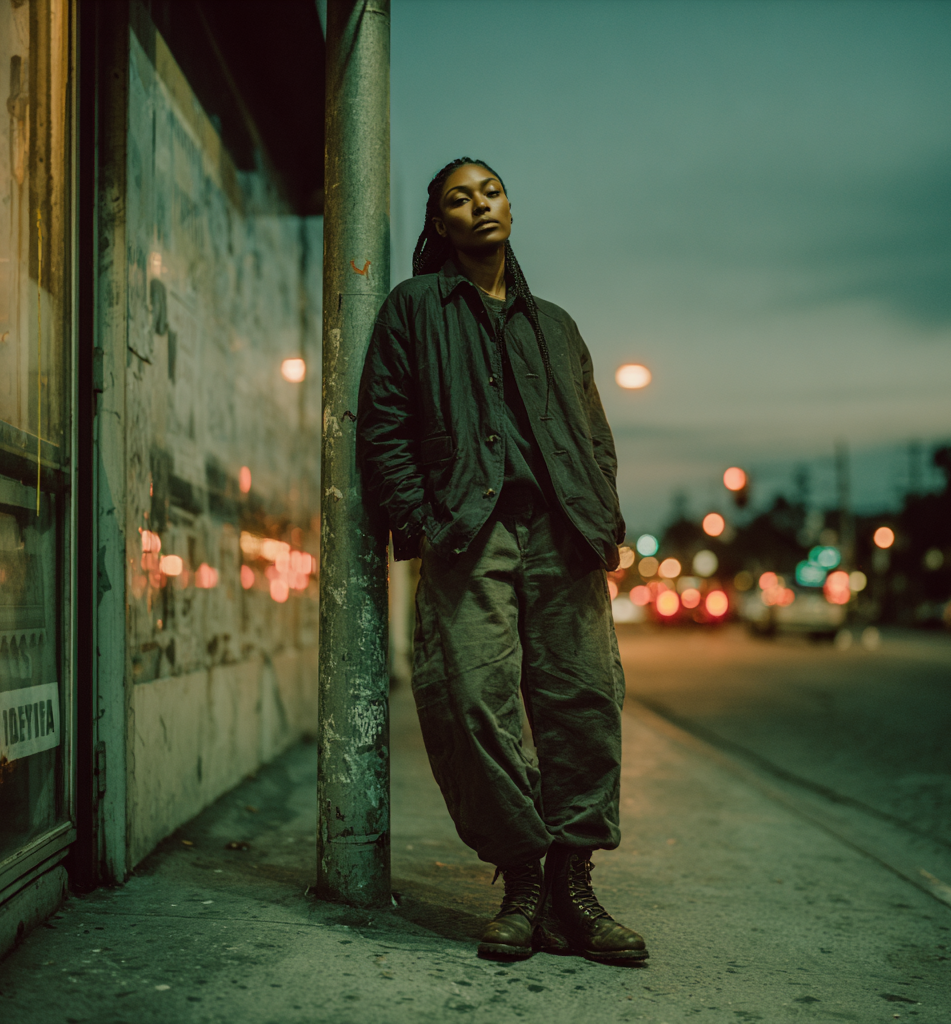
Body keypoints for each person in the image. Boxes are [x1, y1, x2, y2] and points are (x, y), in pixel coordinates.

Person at [357, 157, 647, 962]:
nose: (478, 206)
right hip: (469, 532)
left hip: (564, 536)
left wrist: (601, 515)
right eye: (459, 198)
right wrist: (422, 517)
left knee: (585, 702)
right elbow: (382, 428)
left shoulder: (554, 324)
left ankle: (573, 888)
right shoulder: (414, 308)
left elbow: (593, 435)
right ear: (439, 224)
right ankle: (522, 880)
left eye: (489, 192)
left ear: (510, 208)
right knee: (473, 701)